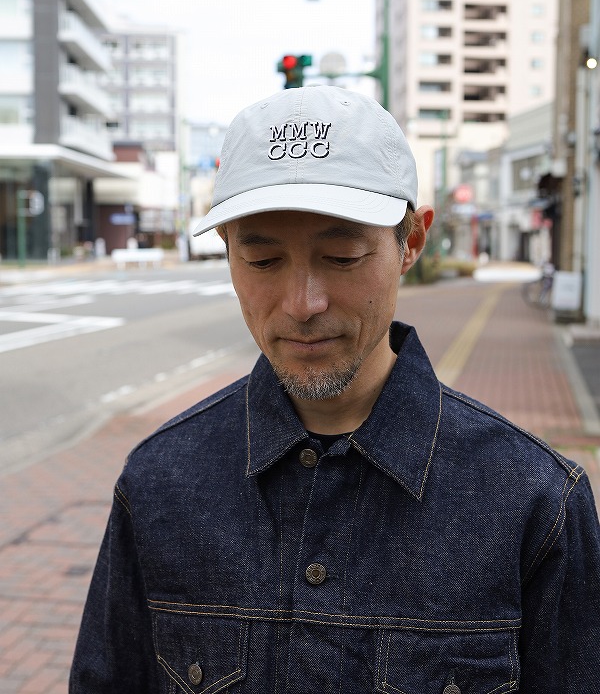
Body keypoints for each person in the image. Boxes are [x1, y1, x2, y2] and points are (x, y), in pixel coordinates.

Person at [70, 86, 600, 693]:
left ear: (411, 243)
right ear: (227, 253)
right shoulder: (159, 481)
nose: (303, 304)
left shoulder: (535, 501)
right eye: (263, 261)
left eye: (343, 256)